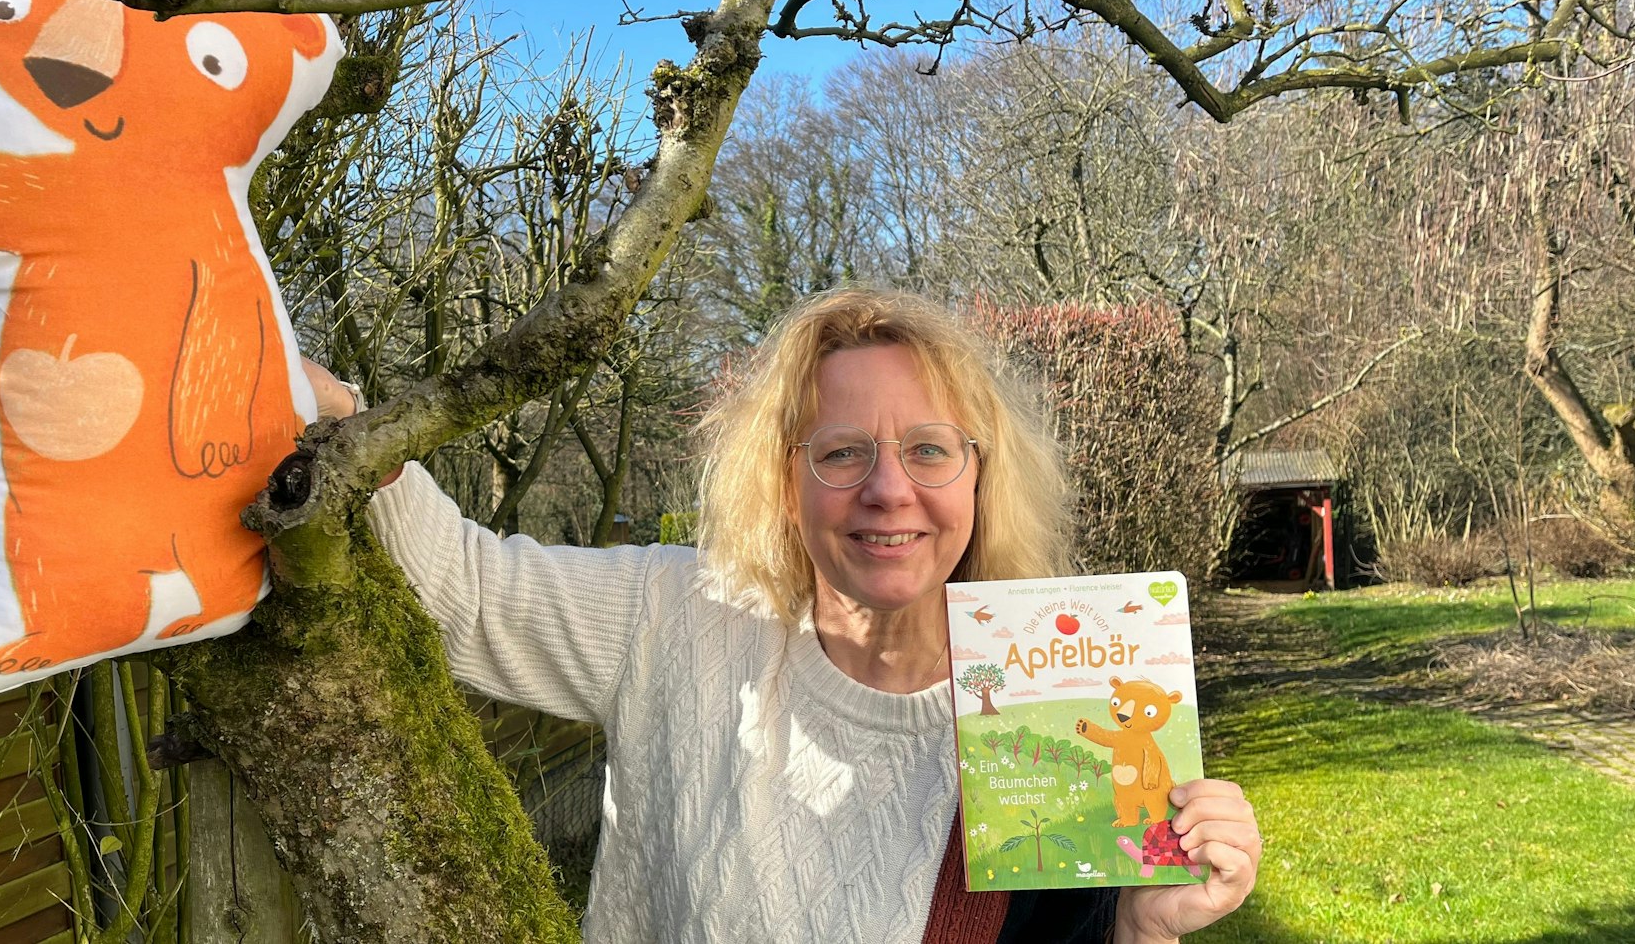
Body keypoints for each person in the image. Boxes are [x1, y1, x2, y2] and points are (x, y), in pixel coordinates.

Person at [302, 287, 1261, 943]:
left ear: (982, 475)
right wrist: (330, 413)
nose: (889, 489)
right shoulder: (674, 615)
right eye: (841, 452)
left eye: (930, 449)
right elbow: (459, 591)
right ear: (784, 480)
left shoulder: (1055, 695)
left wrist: (1142, 929)